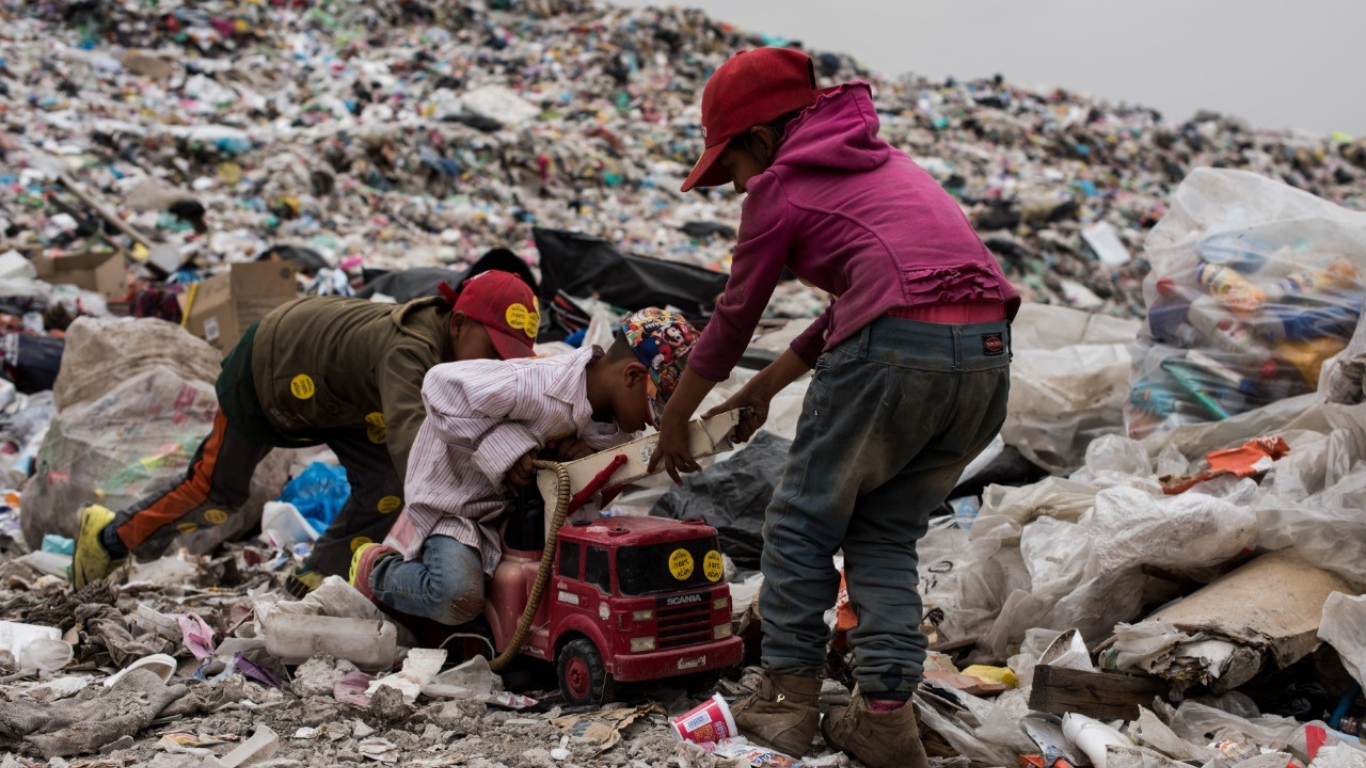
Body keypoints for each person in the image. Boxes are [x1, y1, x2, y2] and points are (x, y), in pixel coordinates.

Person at [649, 48, 1020, 768]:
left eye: (732, 166)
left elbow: (733, 318)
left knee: (798, 522)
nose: (736, 186)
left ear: (761, 138)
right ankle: (884, 718)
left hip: (892, 354)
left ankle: (787, 702)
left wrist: (674, 418)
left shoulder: (780, 186)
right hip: (986, 355)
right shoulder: (888, 169)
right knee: (883, 534)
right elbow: (861, 299)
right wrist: (764, 389)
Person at [72, 269, 541, 596]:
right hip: (269, 370)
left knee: (384, 489)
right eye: (495, 350)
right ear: (458, 324)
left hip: (345, 403)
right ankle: (108, 538)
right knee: (217, 492)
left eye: (510, 356)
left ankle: (319, 577)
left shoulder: (453, 355)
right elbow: (415, 448)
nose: (499, 366)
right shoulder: (410, 351)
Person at [348, 308, 699, 626]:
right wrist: (506, 446)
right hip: (459, 503)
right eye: (655, 410)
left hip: (521, 517)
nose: (654, 425)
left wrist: (586, 461)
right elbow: (440, 386)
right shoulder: (535, 383)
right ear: (633, 376)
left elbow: (592, 497)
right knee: (458, 597)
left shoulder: (620, 431)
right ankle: (378, 570)